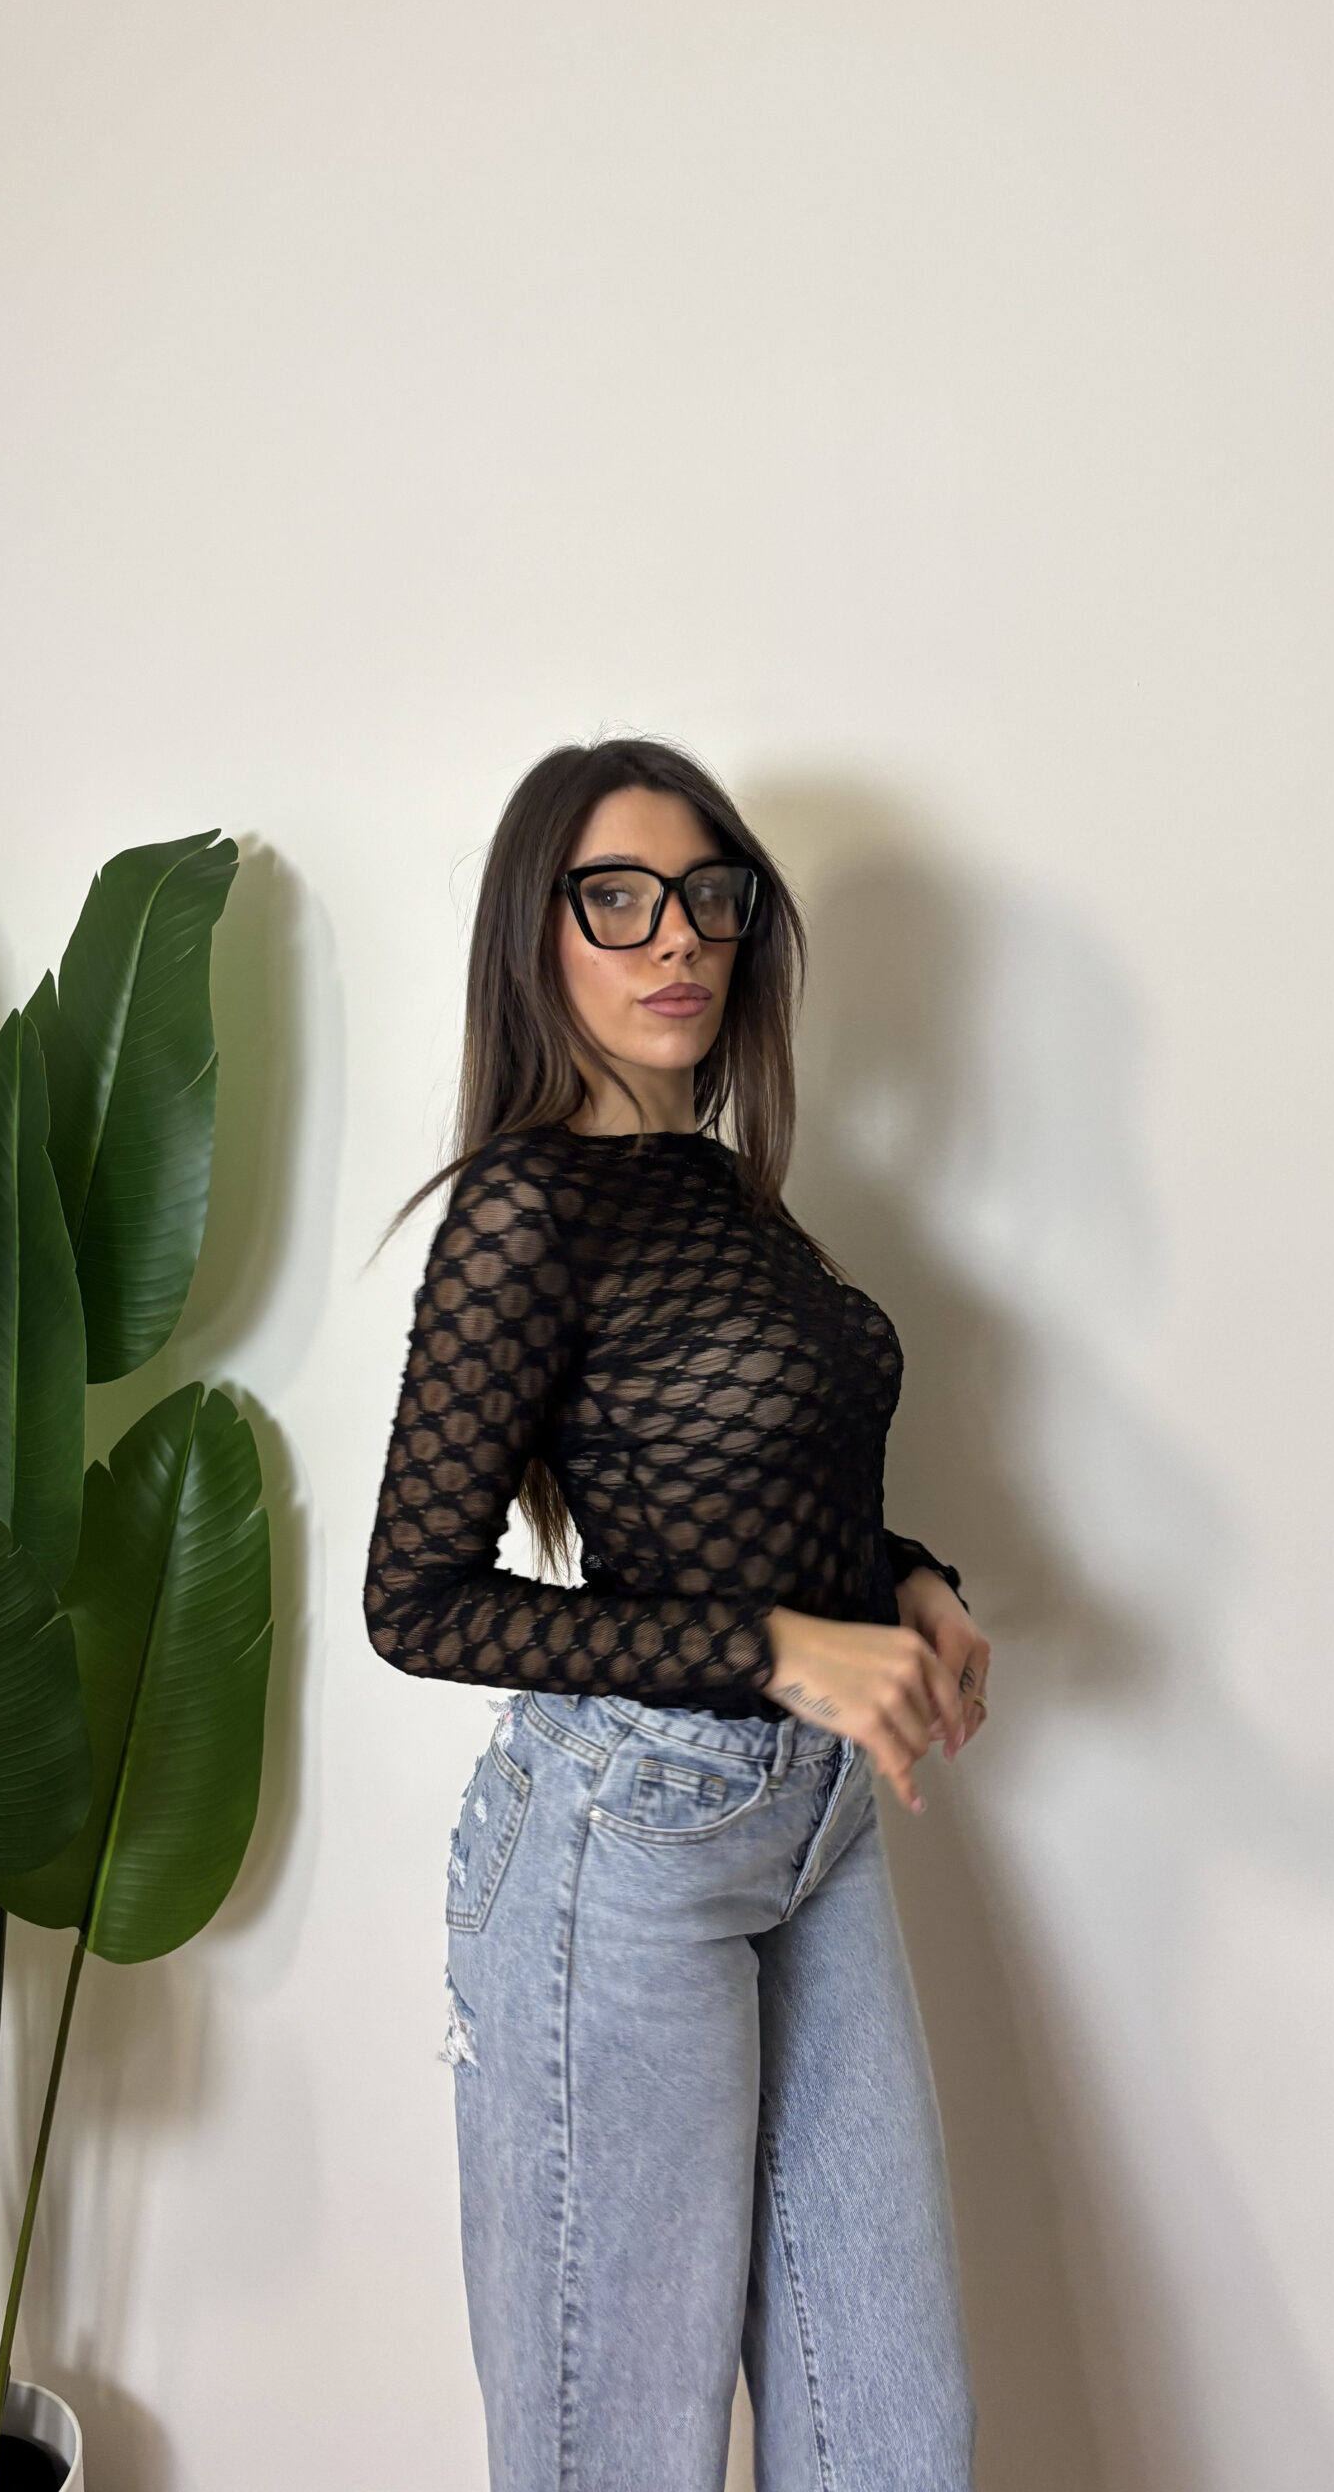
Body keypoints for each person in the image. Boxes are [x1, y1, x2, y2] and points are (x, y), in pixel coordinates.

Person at [365, 736, 991, 2490]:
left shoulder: (724, 1194)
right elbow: (416, 1602)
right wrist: (777, 1647)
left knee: (896, 2440)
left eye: (709, 898)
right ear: (535, 933)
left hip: (816, 1823)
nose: (679, 938)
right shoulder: (523, 1209)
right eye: (619, 900)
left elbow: (743, 1489)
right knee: (620, 2458)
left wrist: (906, 1578)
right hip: (622, 1846)